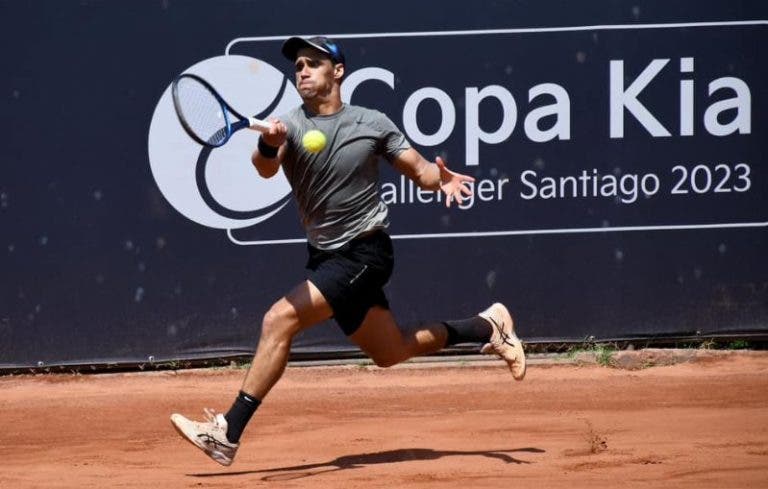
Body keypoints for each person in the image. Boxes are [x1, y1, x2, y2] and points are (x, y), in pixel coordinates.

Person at [170, 36, 526, 467]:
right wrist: (269, 143)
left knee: (278, 319)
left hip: (365, 252)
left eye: (312, 63)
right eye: (298, 65)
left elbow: (419, 170)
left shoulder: (371, 123)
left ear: (337, 71)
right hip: (326, 256)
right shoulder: (289, 125)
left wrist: (443, 179)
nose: (302, 70)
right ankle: (487, 326)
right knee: (390, 352)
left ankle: (228, 431)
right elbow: (264, 169)